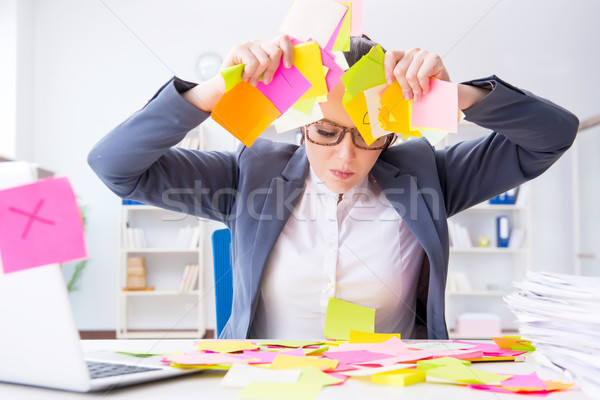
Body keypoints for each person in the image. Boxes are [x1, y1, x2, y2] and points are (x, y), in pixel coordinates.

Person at [88, 34, 579, 340]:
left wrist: (456, 95)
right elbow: (115, 166)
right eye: (326, 131)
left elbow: (551, 136)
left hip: (390, 382)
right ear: (300, 123)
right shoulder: (249, 174)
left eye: (369, 137)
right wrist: (218, 88)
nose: (347, 157)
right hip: (267, 381)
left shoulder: (426, 175)